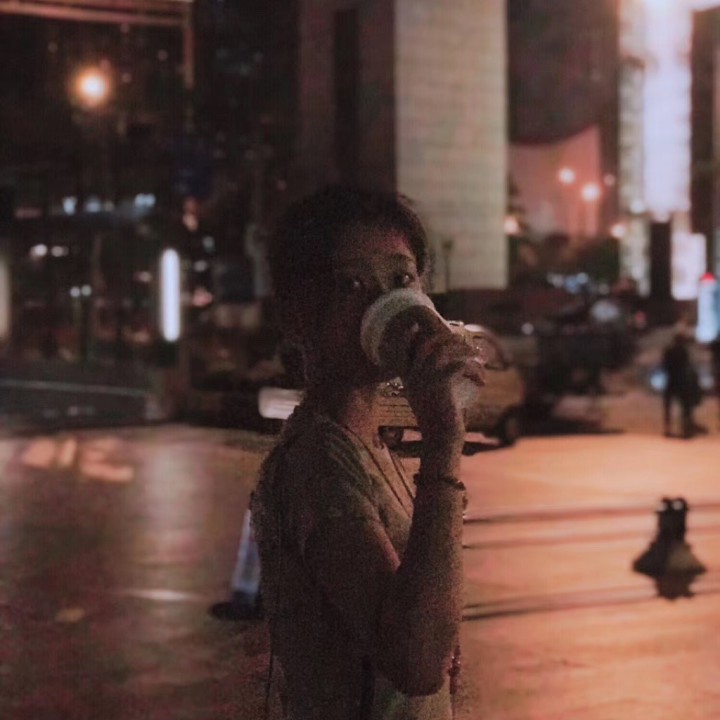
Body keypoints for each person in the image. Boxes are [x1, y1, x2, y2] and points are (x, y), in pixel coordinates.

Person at [251, 186, 484, 720]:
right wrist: (444, 443)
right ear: (296, 317)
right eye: (351, 285)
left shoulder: (371, 445)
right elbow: (415, 663)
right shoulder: (318, 461)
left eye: (402, 280)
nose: (385, 304)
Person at [661, 330, 699, 438]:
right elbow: (686, 365)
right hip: (681, 381)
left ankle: (668, 428)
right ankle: (685, 427)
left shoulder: (668, 350)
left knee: (668, 405)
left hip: (670, 380)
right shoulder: (683, 351)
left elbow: (664, 365)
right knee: (684, 405)